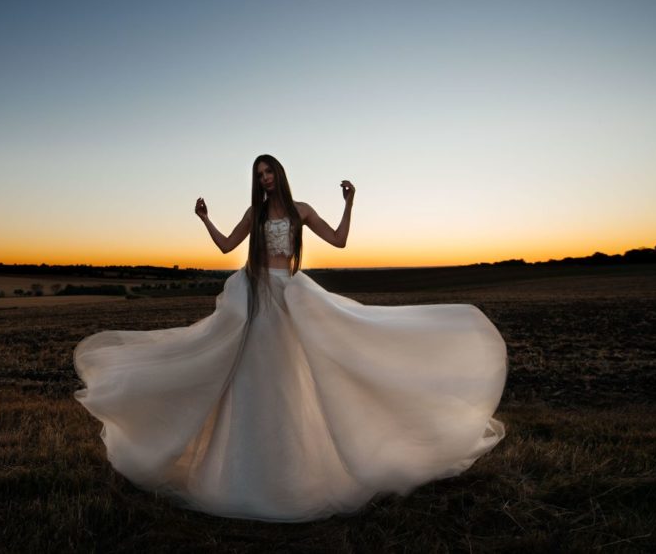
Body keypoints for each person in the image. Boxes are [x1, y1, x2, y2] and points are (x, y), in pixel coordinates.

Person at [73, 154, 507, 523]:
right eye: (259, 174)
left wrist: (350, 203)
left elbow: (339, 241)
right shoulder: (255, 214)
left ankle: (295, 472)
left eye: (269, 172)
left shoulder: (300, 209)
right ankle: (244, 477)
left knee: (293, 379)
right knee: (254, 380)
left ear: (279, 174)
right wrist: (205, 219)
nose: (265, 179)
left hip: (291, 294)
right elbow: (227, 247)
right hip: (257, 297)